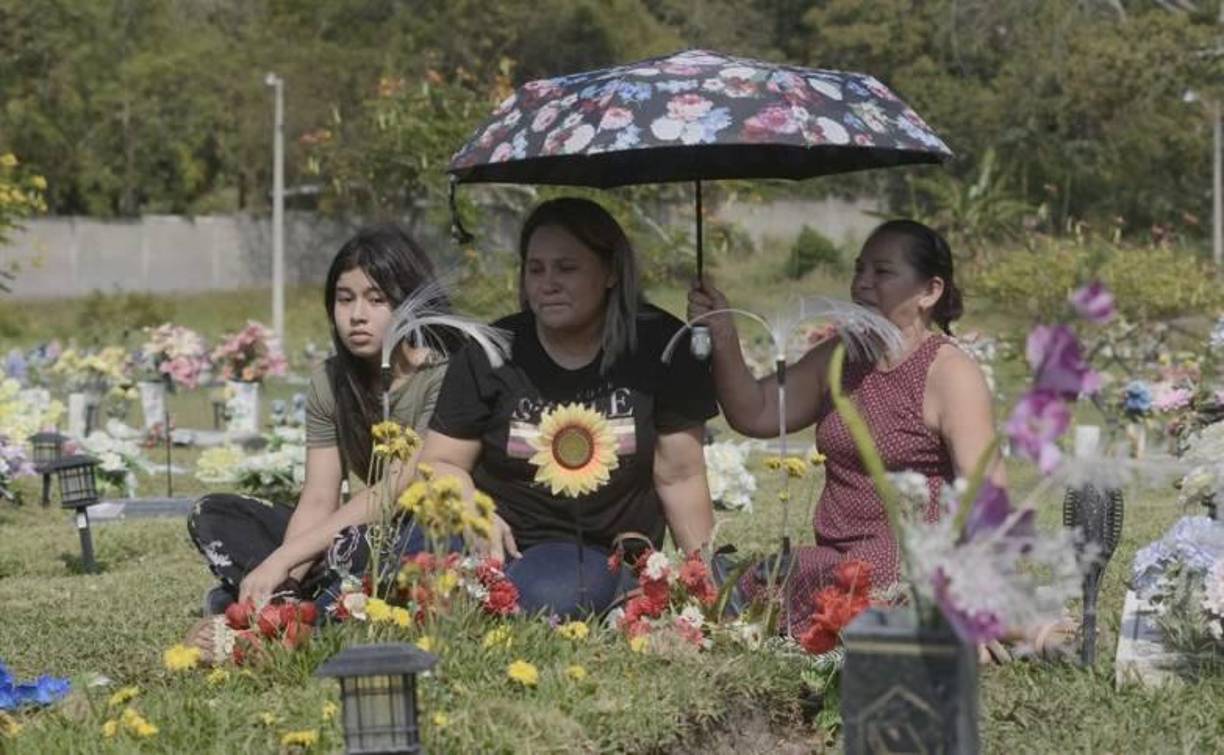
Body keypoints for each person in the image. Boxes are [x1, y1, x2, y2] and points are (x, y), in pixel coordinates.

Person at [688, 219, 1005, 634]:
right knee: (779, 574)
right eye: (859, 269)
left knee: (862, 583)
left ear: (930, 291)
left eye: (883, 272)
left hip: (909, 560)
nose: (862, 284)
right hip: (834, 558)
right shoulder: (841, 355)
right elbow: (758, 411)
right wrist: (724, 333)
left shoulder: (950, 373)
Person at [419, 197, 718, 618]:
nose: (547, 283)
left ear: (611, 272)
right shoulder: (490, 350)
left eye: (567, 268)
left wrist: (705, 581)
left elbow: (681, 475)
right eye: (535, 269)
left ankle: (609, 592)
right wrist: (471, 507)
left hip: (593, 550)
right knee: (405, 565)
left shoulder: (663, 346)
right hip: (492, 537)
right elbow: (440, 461)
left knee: (548, 596)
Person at [187, 224, 450, 616]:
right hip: (347, 532)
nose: (357, 316)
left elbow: (395, 490)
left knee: (363, 546)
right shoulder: (329, 381)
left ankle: (277, 596)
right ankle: (294, 598)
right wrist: (288, 573)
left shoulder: (442, 374)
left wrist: (282, 560)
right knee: (212, 514)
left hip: (420, 530)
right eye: (345, 300)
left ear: (407, 302)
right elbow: (319, 497)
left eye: (376, 300)